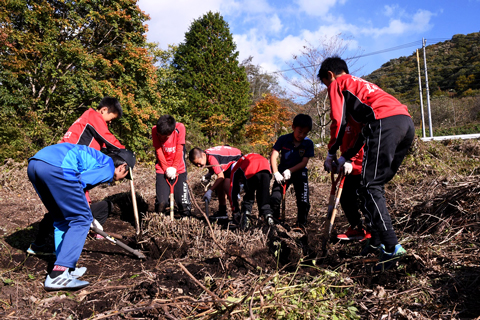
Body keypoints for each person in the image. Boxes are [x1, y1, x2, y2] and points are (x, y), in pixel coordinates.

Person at [318, 56, 414, 271]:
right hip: (405, 122)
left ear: (330, 75)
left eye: (325, 83)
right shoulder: (364, 85)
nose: (328, 88)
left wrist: (332, 152)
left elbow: (338, 121)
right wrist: (348, 155)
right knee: (370, 185)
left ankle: (391, 247)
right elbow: (364, 129)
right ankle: (376, 239)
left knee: (370, 186)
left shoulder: (338, 84)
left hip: (385, 123)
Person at [27, 143, 136, 290]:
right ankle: (58, 276)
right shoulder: (108, 167)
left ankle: (65, 268)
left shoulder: (98, 159)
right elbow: (80, 182)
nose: (122, 179)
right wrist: (88, 217)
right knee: (81, 219)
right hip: (57, 167)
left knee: (61, 219)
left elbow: (78, 186)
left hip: (36, 164)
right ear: (122, 167)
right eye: (125, 175)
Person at [27, 97, 125, 255]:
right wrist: (124, 153)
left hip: (65, 165)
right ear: (104, 110)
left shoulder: (88, 125)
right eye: (110, 119)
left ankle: (41, 246)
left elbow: (105, 145)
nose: (110, 123)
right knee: (71, 211)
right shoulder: (93, 116)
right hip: (65, 167)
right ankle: (62, 257)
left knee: (62, 209)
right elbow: (109, 139)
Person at [270, 114, 314, 232]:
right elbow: (274, 155)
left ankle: (301, 225)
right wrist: (275, 172)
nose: (302, 135)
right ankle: (276, 221)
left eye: (305, 133)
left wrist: (291, 170)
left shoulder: (308, 143)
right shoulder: (283, 139)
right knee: (275, 198)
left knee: (303, 201)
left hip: (299, 173)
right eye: (300, 131)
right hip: (281, 173)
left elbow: (304, 162)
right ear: (293, 127)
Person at [335, 119, 371, 242]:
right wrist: (335, 159)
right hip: (347, 167)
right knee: (345, 198)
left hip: (362, 166)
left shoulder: (357, 119)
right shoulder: (341, 121)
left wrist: (351, 160)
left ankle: (372, 231)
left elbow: (361, 140)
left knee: (364, 200)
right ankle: (356, 228)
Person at [152, 115, 191, 217]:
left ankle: (185, 222)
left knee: (183, 204)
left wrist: (174, 167)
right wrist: (166, 169)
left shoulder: (180, 128)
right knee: (162, 203)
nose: (162, 138)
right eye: (160, 135)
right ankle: (161, 223)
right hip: (162, 168)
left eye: (165, 137)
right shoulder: (154, 130)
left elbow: (179, 150)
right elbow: (158, 151)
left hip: (179, 168)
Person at [188, 146, 242, 220]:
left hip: (238, 161)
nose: (198, 166)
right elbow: (217, 165)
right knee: (220, 185)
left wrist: (210, 190)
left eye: (199, 163)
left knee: (226, 184)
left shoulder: (211, 157)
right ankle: (222, 211)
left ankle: (237, 214)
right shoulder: (206, 156)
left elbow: (221, 176)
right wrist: (209, 174)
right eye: (196, 165)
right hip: (230, 163)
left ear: (203, 155)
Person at [229, 153, 274, 230]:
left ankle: (246, 220)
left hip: (251, 169)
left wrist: (235, 210)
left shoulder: (235, 167)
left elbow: (232, 189)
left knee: (249, 197)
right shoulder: (255, 155)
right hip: (267, 169)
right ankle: (268, 219)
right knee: (264, 196)